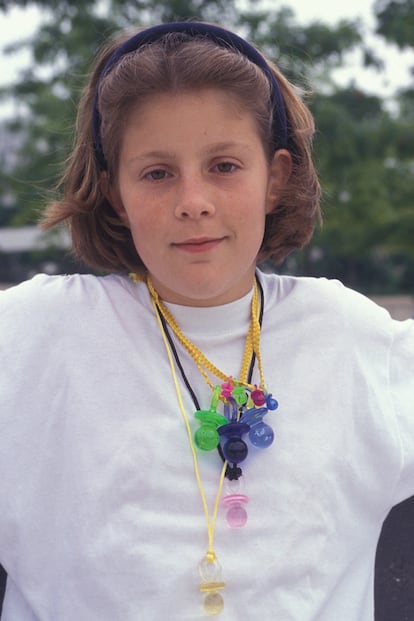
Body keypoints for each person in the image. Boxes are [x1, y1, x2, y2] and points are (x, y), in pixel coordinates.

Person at [0, 21, 413, 621]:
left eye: (223, 165)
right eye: (157, 173)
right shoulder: (34, 335)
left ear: (275, 178)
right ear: (116, 192)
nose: (193, 200)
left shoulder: (350, 338)